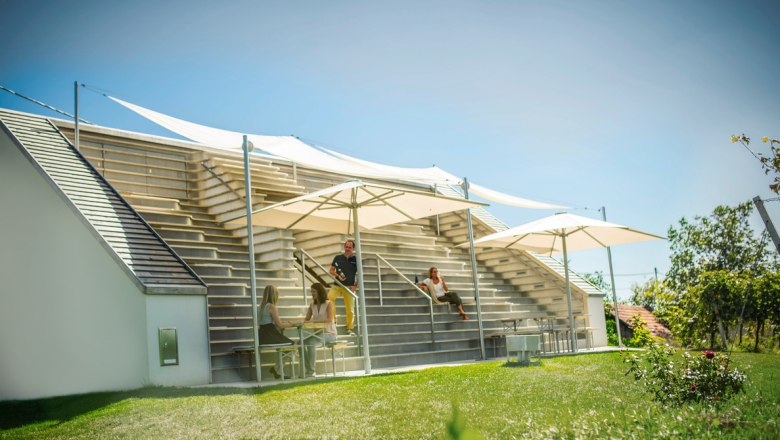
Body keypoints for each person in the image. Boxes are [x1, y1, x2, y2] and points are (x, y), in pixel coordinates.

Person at [259, 285, 298, 379]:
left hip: (262, 334)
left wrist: (287, 323)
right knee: (293, 346)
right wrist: (293, 324)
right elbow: (279, 325)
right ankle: (277, 369)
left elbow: (273, 323)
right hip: (270, 334)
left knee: (287, 347)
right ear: (274, 295)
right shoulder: (272, 306)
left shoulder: (261, 306)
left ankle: (277, 369)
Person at [303, 283, 338, 377]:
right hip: (318, 334)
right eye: (311, 292)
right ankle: (308, 369)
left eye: (314, 291)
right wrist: (296, 322)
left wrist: (312, 321)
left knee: (311, 342)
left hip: (329, 333)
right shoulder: (312, 305)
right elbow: (307, 319)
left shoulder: (328, 303)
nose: (312, 294)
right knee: (300, 343)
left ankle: (311, 372)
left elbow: (329, 319)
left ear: (320, 292)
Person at [328, 239, 357, 335]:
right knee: (329, 298)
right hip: (338, 285)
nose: (347, 249)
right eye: (346, 247)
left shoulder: (356, 260)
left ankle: (349, 328)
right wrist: (337, 275)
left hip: (349, 287)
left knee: (350, 309)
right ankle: (333, 320)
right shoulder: (338, 257)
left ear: (353, 248)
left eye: (350, 247)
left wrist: (355, 286)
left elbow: (358, 274)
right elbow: (331, 270)